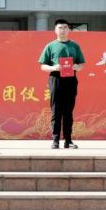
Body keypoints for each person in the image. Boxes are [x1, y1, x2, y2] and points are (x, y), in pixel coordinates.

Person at [39, 19, 85, 149]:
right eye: (60, 27)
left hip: (71, 79)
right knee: (56, 111)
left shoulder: (74, 46)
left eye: (65, 27)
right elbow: (43, 66)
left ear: (69, 30)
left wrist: (76, 66)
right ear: (55, 30)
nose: (63, 30)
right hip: (56, 79)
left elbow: (81, 64)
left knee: (68, 112)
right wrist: (54, 67)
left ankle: (68, 140)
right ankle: (55, 140)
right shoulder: (50, 46)